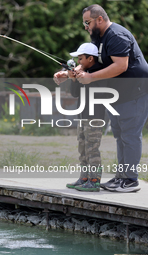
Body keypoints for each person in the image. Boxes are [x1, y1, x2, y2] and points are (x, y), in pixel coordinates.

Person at [76, 4, 148, 192]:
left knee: (130, 135)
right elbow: (96, 62)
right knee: (120, 135)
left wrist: (90, 77)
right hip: (120, 94)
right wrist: (80, 69)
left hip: (136, 91)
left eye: (88, 22)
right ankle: (121, 177)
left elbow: (120, 66)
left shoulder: (115, 35)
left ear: (99, 19)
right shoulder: (100, 39)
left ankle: (131, 180)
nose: (86, 27)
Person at [62, 43, 105, 192]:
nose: (79, 62)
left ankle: (94, 180)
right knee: (82, 148)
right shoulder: (84, 72)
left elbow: (100, 92)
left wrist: (86, 77)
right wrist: (74, 79)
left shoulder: (99, 72)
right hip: (82, 116)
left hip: (95, 117)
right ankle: (84, 178)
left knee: (92, 148)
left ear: (90, 58)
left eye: (81, 58)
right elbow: (75, 94)